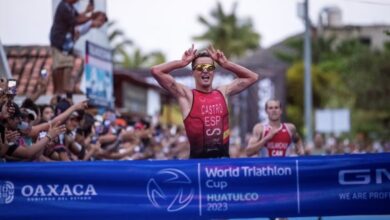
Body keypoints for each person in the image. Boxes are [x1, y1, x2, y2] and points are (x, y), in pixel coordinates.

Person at [151, 45, 259, 159]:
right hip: (198, 168)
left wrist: (226, 64)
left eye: (209, 67)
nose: (205, 70)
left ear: (214, 72)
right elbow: (156, 71)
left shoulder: (222, 92)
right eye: (200, 67)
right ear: (193, 72)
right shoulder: (187, 96)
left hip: (223, 167)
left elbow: (253, 77)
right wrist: (181, 62)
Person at [49, 0, 94, 95]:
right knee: (59, 66)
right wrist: (91, 17)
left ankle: (64, 90)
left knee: (68, 64)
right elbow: (77, 20)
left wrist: (87, 12)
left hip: (66, 43)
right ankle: (59, 91)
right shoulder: (64, 7)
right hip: (59, 42)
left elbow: (78, 17)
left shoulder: (70, 7)